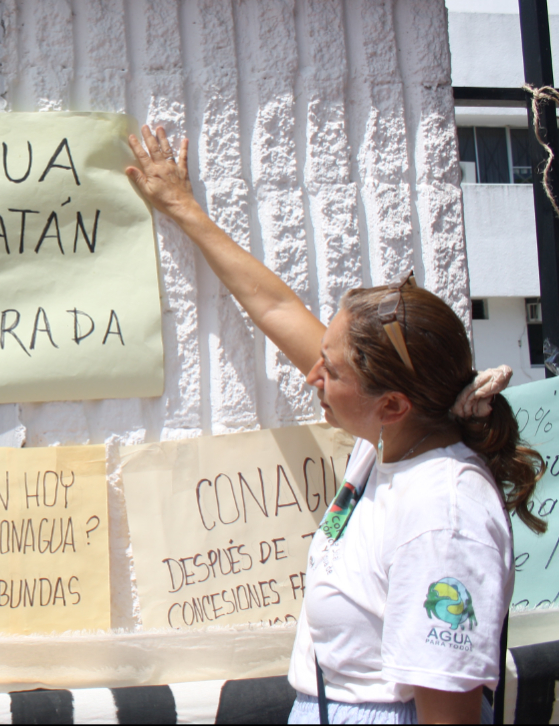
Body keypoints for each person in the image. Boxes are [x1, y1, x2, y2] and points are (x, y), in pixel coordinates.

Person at [125, 125, 545, 725]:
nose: (311, 374)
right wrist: (182, 208)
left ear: (393, 403)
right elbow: (274, 308)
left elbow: (446, 713)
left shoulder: (442, 513)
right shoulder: (390, 442)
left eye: (332, 368)